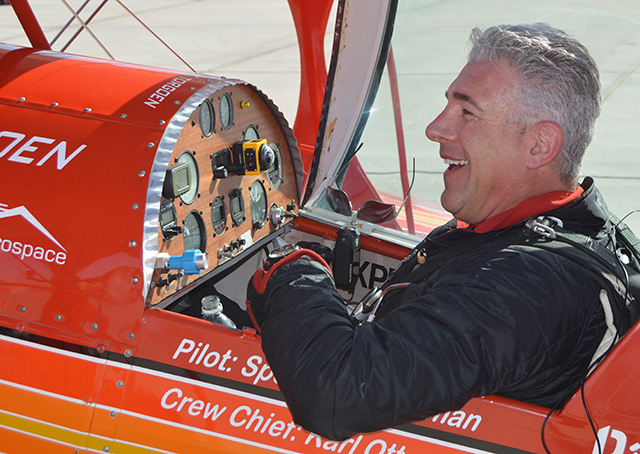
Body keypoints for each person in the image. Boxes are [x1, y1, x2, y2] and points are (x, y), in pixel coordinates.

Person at [246, 23, 617, 441]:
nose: (435, 128)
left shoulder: (528, 286)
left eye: (467, 112)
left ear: (539, 146)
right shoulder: (562, 228)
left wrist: (291, 272)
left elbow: (337, 394)